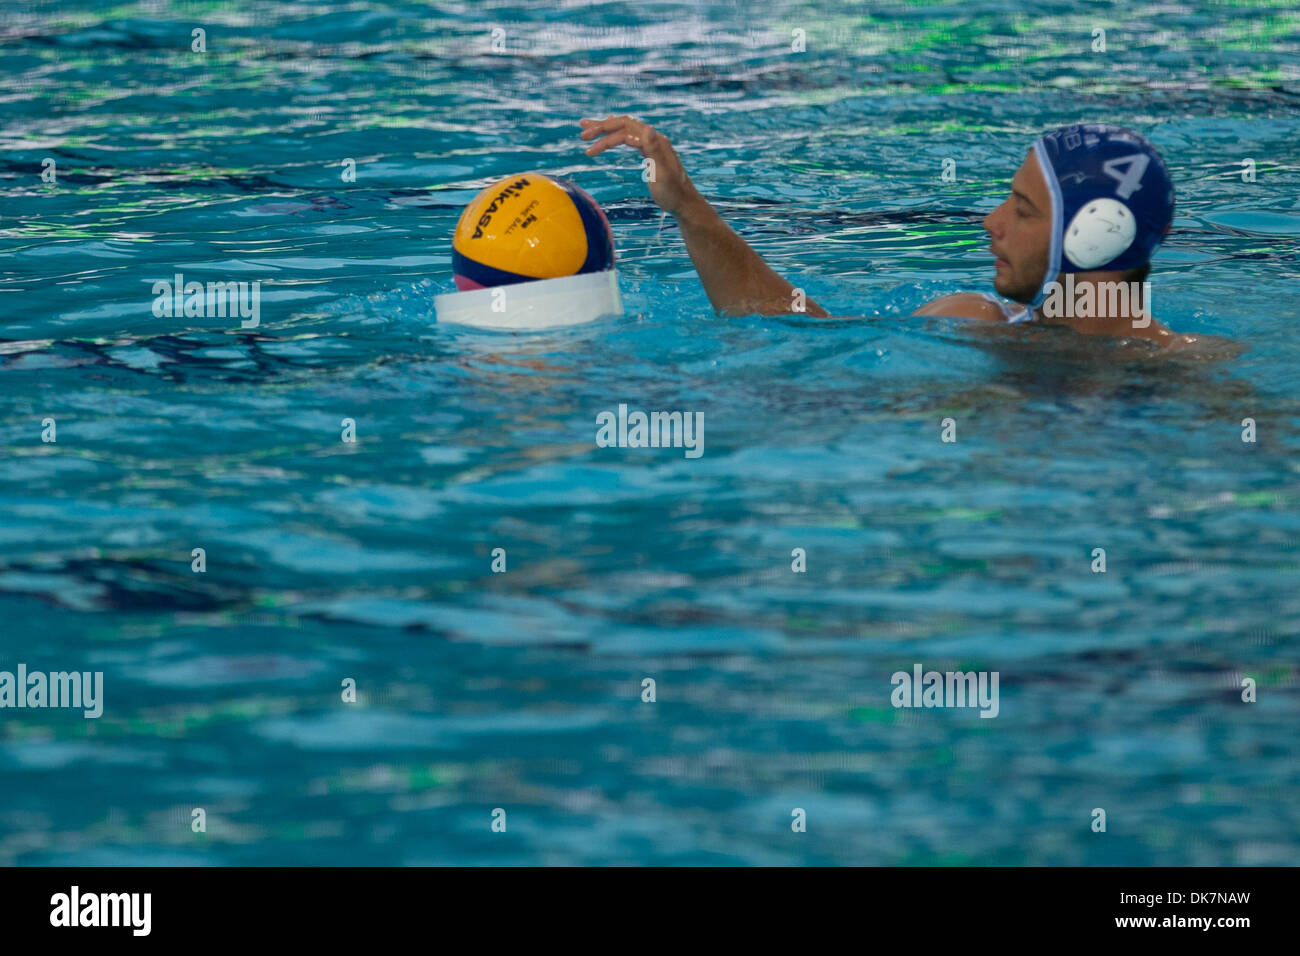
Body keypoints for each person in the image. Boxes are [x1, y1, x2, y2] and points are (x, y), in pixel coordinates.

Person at [579, 115, 1214, 350]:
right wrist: (691, 208)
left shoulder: (1199, 382)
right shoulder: (976, 325)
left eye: (1022, 209)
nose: (990, 223)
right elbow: (798, 335)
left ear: (1095, 239)